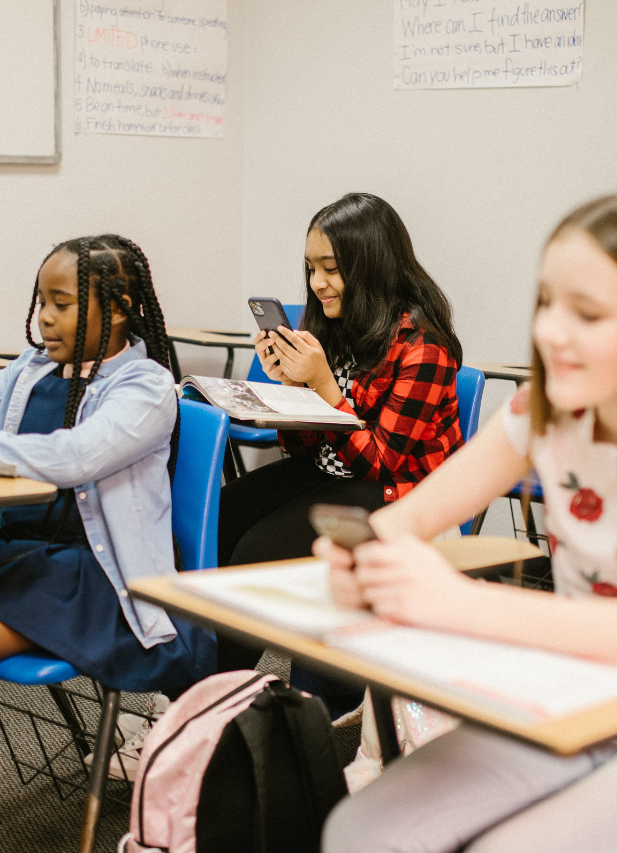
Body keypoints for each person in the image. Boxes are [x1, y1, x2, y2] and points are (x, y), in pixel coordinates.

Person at [319, 194, 617, 853]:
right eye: (546, 303)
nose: (550, 332)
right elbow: (416, 511)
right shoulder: (539, 412)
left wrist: (457, 603)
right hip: (575, 698)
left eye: (588, 313)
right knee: (360, 828)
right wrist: (366, 554)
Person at [216, 193, 463, 689]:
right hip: (334, 474)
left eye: (331, 268)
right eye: (310, 268)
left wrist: (325, 388)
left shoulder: (424, 347)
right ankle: (199, 692)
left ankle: (217, 705)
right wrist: (289, 387)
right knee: (219, 520)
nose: (316, 284)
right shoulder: (333, 326)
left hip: (397, 492)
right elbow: (306, 449)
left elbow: (382, 462)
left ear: (370, 267)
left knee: (252, 555)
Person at [0, 235, 215, 701]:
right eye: (42, 301)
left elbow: (75, 456)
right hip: (16, 553)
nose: (44, 316)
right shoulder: (32, 368)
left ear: (120, 307)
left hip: (94, 577)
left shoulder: (146, 387)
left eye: (61, 304)